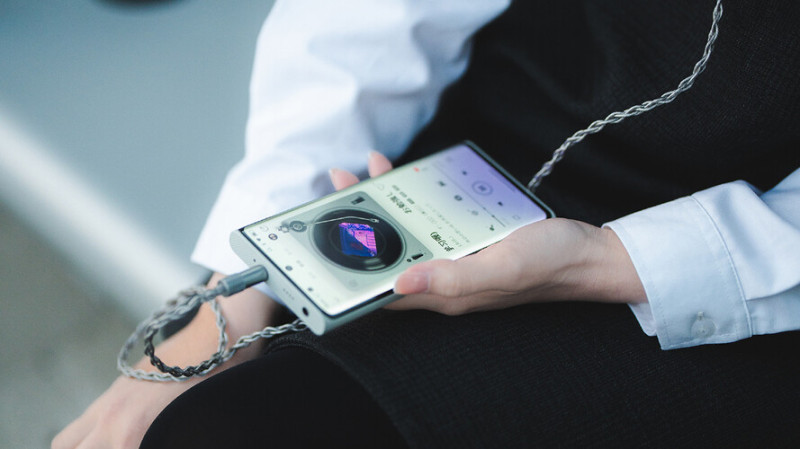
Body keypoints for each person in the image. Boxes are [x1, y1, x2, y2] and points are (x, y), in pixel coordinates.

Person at [53, 0, 800, 448]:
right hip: (471, 154)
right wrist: (235, 298)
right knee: (194, 416)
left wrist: (601, 262)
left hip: (744, 276)